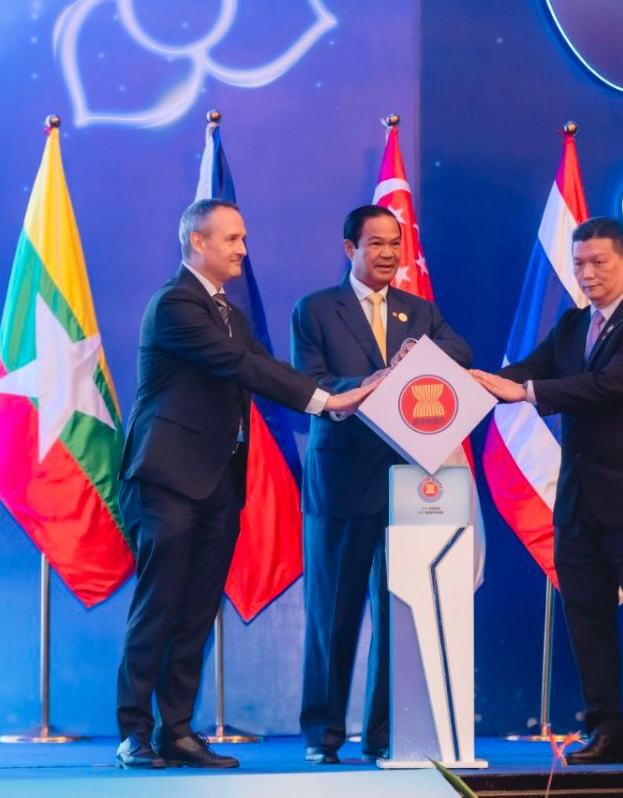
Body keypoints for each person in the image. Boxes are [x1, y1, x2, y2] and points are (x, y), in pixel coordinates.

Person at [115, 199, 373, 770]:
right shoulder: (176, 304)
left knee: (197, 611)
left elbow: (269, 365)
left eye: (244, 238)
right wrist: (327, 402)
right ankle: (134, 731)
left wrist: (341, 394)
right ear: (197, 242)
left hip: (218, 483)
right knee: (159, 606)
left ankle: (176, 732)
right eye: (232, 239)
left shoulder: (230, 312)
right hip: (166, 480)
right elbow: (241, 366)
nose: (242, 250)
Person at [471, 217, 623, 767]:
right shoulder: (573, 324)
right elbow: (526, 369)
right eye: (579, 264)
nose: (587, 273)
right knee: (587, 619)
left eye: (598, 262)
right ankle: (606, 732)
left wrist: (525, 392)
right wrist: (470, 381)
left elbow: (604, 387)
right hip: (578, 502)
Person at [290, 205, 472, 764]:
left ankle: (386, 734)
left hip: (409, 484)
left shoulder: (419, 311)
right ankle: (323, 736)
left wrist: (424, 357)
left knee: (402, 614)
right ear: (351, 249)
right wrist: (372, 381)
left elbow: (461, 354)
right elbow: (312, 383)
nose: (389, 253)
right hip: (342, 482)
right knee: (334, 615)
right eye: (376, 244)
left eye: (395, 243)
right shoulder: (316, 309)